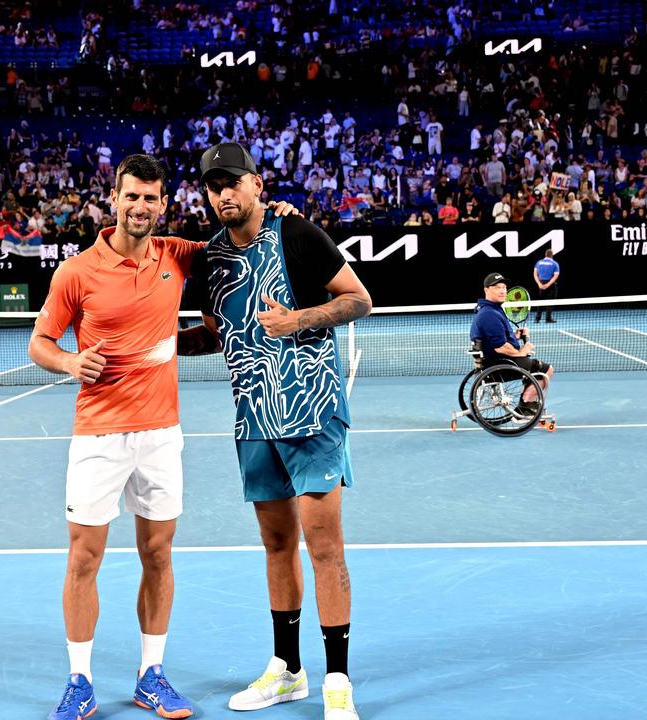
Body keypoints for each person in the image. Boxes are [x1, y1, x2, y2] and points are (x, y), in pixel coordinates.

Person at [184, 142, 372, 720]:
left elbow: (359, 299)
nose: (223, 194)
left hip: (312, 413)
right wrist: (148, 349)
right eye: (213, 186)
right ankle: (287, 671)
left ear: (256, 183)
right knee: (276, 545)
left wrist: (300, 320)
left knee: (324, 546)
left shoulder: (298, 235)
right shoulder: (210, 259)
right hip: (254, 419)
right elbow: (216, 333)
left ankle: (336, 679)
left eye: (232, 182)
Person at [27, 154, 201, 720]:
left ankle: (152, 674)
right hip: (99, 435)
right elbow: (41, 343)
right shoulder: (76, 271)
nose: (141, 207)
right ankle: (79, 680)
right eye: (132, 196)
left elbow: (245, 238)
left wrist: (275, 211)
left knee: (158, 552)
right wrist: (71, 363)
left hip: (160, 434)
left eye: (152, 198)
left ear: (164, 204)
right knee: (85, 557)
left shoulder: (177, 256)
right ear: (114, 197)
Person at [470, 273, 554, 411]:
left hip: (495, 362)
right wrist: (522, 352)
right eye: (498, 287)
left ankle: (526, 403)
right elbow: (500, 347)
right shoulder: (489, 314)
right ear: (486, 290)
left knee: (532, 365)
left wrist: (514, 337)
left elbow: (494, 339)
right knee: (546, 370)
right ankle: (525, 405)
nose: (503, 291)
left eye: (504, 287)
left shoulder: (492, 309)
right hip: (499, 366)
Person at [532, 249, 560, 323]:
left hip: (541, 283)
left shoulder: (539, 262)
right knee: (550, 302)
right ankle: (548, 319)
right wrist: (548, 284)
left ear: (545, 254)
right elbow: (555, 276)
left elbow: (535, 274)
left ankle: (537, 319)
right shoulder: (555, 263)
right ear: (552, 255)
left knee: (540, 302)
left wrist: (539, 284)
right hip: (550, 285)